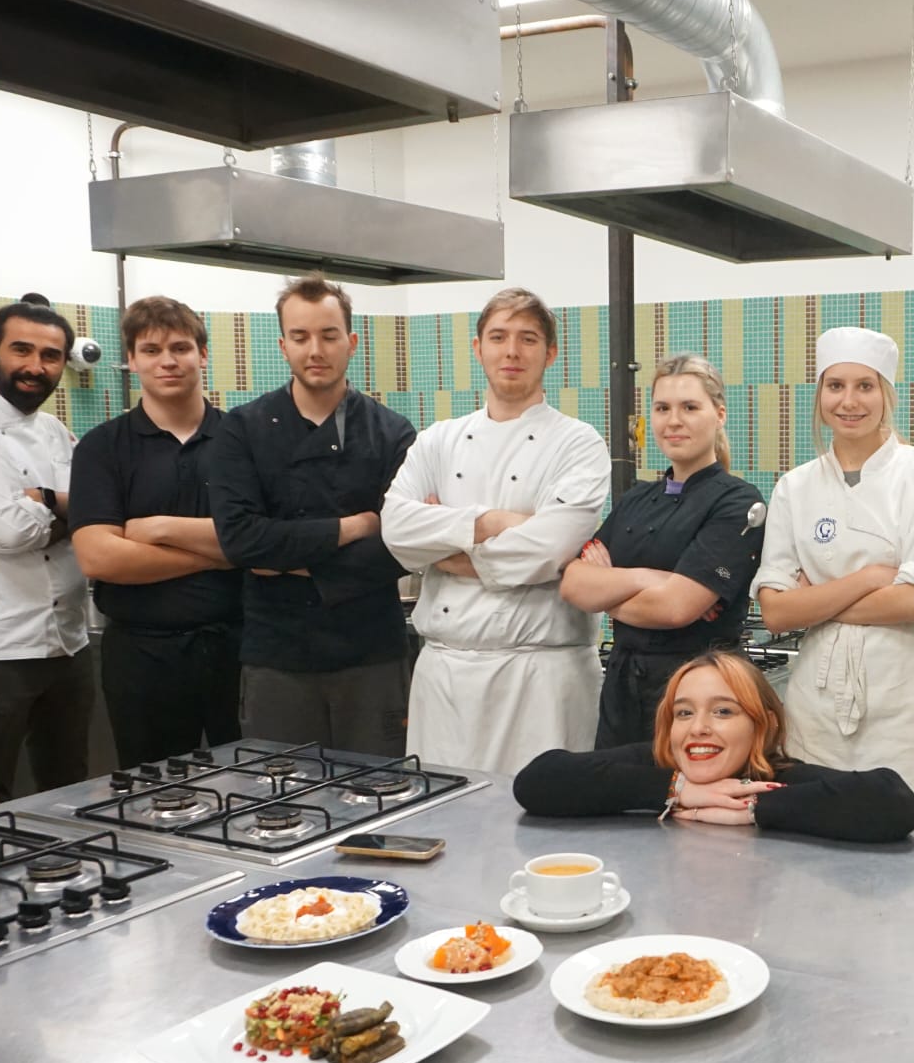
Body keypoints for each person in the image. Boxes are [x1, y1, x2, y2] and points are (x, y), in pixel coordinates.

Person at [382, 287, 611, 776]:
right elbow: (396, 527)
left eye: (528, 339)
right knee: (445, 825)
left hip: (542, 678)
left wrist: (442, 551)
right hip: (444, 677)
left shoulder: (578, 443)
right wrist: (493, 522)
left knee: (542, 833)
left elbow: (548, 550)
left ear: (550, 353)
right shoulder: (437, 440)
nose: (512, 351)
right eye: (499, 337)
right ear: (477, 347)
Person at [753, 327, 914, 831]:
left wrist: (813, 600)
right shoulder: (795, 487)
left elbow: (913, 602)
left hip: (907, 696)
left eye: (865, 386)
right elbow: (774, 613)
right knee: (815, 840)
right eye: (835, 386)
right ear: (820, 395)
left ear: (886, 394)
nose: (849, 401)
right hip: (816, 703)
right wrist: (869, 578)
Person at [206, 273, 415, 756]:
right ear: (283, 346)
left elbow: (400, 548)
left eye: (328, 335)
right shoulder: (242, 430)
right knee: (280, 805)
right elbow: (241, 541)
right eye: (300, 337)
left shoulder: (392, 433)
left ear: (352, 342)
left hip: (372, 655)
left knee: (380, 798)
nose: (314, 350)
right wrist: (354, 526)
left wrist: (288, 557)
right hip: (278, 657)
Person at [559, 354, 766, 748]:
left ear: (719, 414)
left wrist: (609, 593)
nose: (674, 420)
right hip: (622, 689)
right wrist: (650, 580)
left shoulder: (737, 501)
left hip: (702, 687)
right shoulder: (637, 498)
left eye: (690, 407)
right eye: (662, 408)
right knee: (614, 801)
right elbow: (573, 585)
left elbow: (676, 609)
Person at [69, 296, 241, 767]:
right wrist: (221, 552)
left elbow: (266, 540)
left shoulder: (244, 440)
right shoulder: (102, 449)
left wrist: (161, 529)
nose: (168, 361)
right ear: (130, 360)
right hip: (143, 658)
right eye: (151, 350)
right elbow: (99, 559)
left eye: (181, 348)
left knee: (259, 790)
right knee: (157, 799)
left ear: (203, 355)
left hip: (242, 651)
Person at [513, 650, 914, 842]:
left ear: (763, 724)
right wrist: (677, 790)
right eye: (684, 713)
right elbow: (538, 780)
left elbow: (893, 801)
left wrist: (752, 809)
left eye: (723, 712)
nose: (698, 729)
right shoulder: (655, 763)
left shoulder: (773, 778)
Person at [0, 293, 93, 800]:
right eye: (21, 350)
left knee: (68, 793)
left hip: (68, 640)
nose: (35, 367)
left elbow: (98, 507)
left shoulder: (54, 431)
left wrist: (49, 502)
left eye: (50, 356)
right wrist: (72, 512)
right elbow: (10, 531)